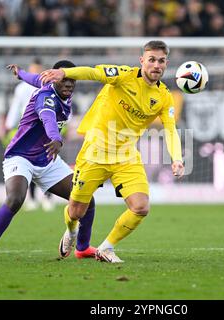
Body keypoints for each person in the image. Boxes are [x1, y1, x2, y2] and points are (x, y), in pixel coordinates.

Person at [40, 40, 185, 263]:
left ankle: (106, 247)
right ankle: (71, 231)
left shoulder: (164, 97)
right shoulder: (123, 75)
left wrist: (176, 159)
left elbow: (170, 129)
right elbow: (93, 72)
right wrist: (64, 72)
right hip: (95, 152)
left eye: (161, 61)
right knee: (76, 211)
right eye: (152, 59)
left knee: (141, 207)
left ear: (166, 63)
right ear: (142, 61)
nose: (156, 65)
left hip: (126, 156)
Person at [0, 60, 97, 263]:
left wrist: (20, 74)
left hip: (47, 159)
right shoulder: (46, 97)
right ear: (55, 79)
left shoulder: (52, 85)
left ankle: (82, 247)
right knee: (15, 199)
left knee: (85, 197)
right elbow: (48, 120)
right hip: (21, 156)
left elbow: (34, 78)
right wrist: (56, 138)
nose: (69, 84)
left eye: (73, 80)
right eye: (65, 80)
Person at [2, 58, 54, 212]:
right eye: (33, 69)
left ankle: (48, 198)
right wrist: (8, 126)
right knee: (28, 163)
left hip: (46, 131)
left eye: (37, 69)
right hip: (28, 130)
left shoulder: (49, 85)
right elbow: (16, 107)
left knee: (48, 163)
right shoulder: (22, 88)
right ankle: (31, 198)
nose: (35, 72)